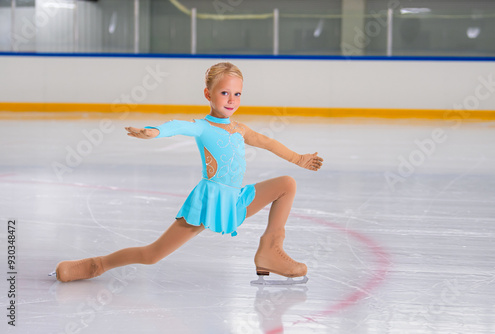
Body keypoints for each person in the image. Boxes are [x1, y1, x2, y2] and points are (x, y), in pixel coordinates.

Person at [54, 62, 323, 284]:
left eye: (237, 94)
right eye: (224, 93)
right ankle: (97, 265)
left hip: (236, 200)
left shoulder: (240, 129)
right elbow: (177, 125)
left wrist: (299, 158)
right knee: (152, 255)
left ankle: (270, 251)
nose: (231, 100)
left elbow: (268, 142)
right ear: (208, 94)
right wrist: (155, 131)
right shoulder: (203, 127)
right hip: (210, 202)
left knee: (287, 184)